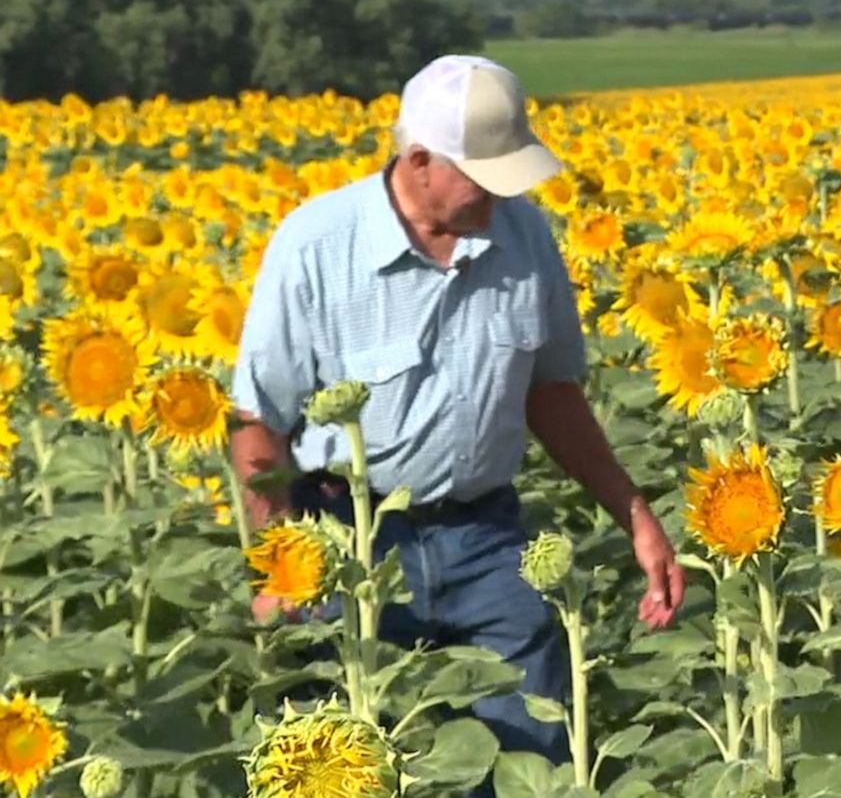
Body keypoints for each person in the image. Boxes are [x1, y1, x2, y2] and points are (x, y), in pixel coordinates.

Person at [229, 55, 685, 792]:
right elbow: (258, 421)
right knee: (342, 756)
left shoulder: (525, 237)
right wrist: (280, 561)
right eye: (486, 177)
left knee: (536, 750)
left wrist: (634, 513)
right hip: (348, 542)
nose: (503, 197)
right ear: (418, 162)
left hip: (486, 537)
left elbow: (553, 394)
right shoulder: (315, 246)